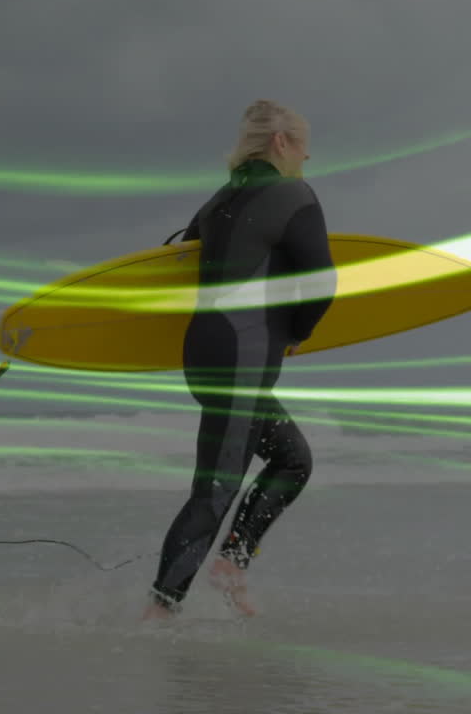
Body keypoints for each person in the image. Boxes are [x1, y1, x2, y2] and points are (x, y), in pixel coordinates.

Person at [142, 99, 337, 620]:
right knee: (215, 491)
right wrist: (298, 333)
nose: (306, 156)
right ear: (280, 143)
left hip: (205, 353)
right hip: (241, 360)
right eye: (302, 145)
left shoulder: (218, 201)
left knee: (293, 460)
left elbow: (182, 265)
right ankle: (159, 613)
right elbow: (322, 282)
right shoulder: (294, 195)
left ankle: (232, 561)